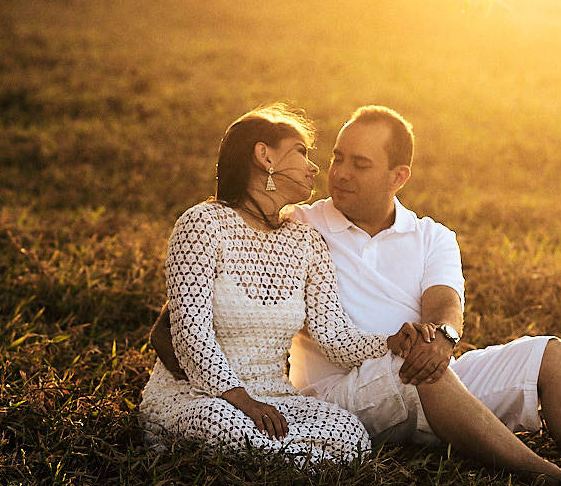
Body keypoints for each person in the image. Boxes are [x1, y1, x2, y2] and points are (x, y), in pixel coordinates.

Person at [150, 105, 561, 486]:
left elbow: (445, 306)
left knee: (552, 355)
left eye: (359, 164)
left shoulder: (429, 236)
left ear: (400, 176)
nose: (336, 172)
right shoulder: (301, 219)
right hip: (342, 388)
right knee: (424, 366)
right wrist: (189, 349)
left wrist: (434, 338)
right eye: (335, 156)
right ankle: (558, 485)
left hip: (411, 363)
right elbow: (205, 292)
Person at [139, 104, 417, 465]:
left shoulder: (306, 240)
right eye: (301, 152)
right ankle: (290, 461)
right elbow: (191, 333)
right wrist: (239, 398)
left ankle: (271, 460)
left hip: (273, 395)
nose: (314, 167)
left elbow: (333, 335)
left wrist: (389, 343)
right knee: (222, 424)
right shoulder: (201, 225)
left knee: (351, 434)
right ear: (264, 156)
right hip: (200, 396)